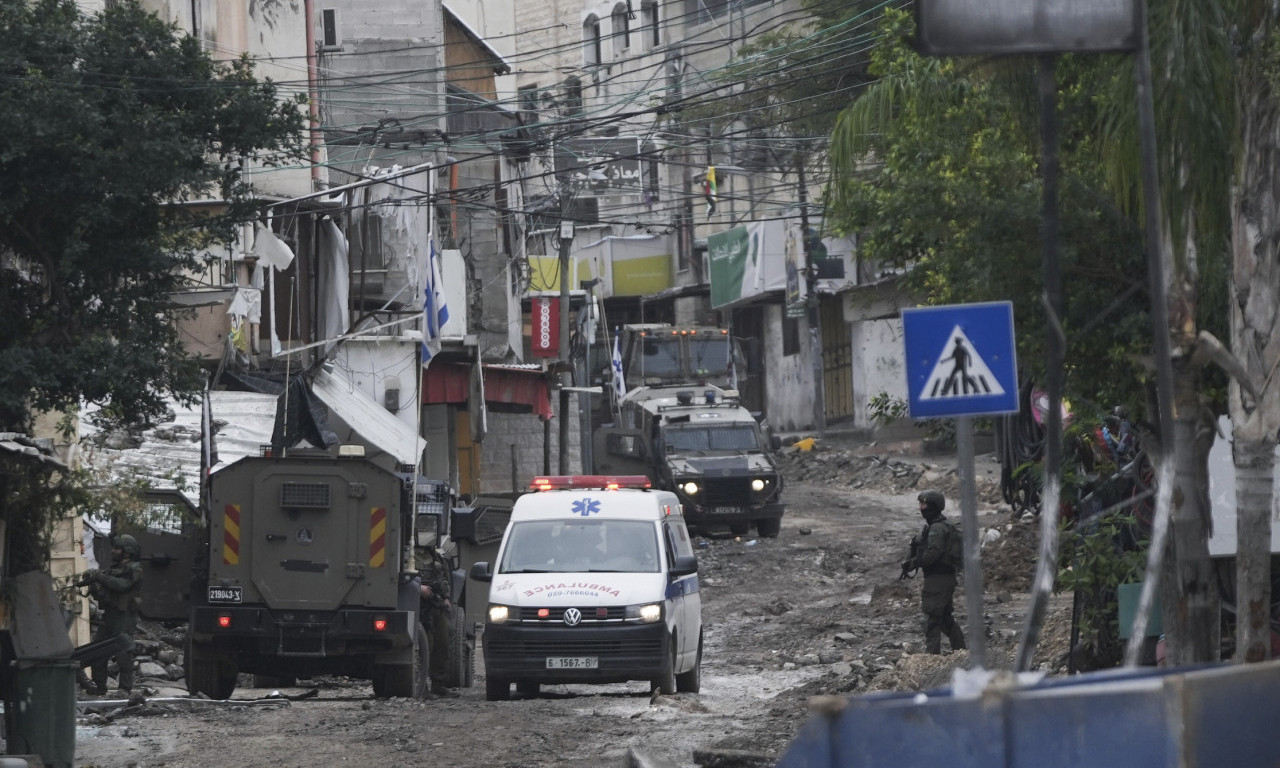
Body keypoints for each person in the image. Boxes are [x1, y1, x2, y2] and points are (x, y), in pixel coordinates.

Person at [902, 490, 966, 655]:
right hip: (942, 578)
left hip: (938, 579)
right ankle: (961, 654)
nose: (921, 507)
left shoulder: (937, 528)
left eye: (924, 504)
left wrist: (913, 563)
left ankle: (932, 660)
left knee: (930, 620)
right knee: (945, 620)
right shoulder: (937, 526)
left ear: (932, 506)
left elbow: (932, 555)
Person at [86, 533, 144, 695]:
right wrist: (93, 584)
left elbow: (121, 585)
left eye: (118, 549)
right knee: (98, 650)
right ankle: (99, 686)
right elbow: (106, 589)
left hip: (124, 616)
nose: (114, 551)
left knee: (123, 652)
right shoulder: (112, 570)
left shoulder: (135, 569)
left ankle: (124, 688)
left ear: (127, 551)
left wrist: (100, 577)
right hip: (109, 614)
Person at [416, 544, 458, 698]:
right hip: (420, 606)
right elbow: (400, 576)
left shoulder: (438, 556)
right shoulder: (408, 553)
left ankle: (438, 685)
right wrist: (418, 587)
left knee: (443, 643)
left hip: (437, 604)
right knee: (426, 645)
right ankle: (422, 687)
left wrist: (446, 598)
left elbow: (446, 578)